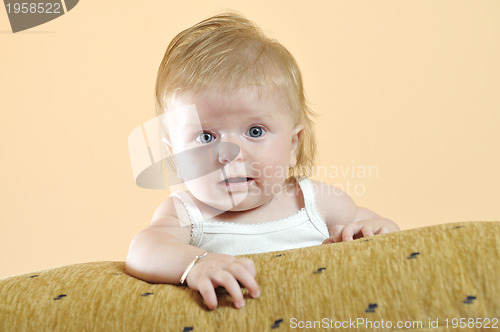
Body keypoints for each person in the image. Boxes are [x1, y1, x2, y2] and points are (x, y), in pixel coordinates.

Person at [125, 12, 400, 310]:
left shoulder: (315, 202)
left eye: (255, 131)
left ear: (293, 145)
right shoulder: (186, 214)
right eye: (206, 137)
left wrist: (372, 230)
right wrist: (196, 264)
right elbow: (142, 250)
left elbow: (379, 227)